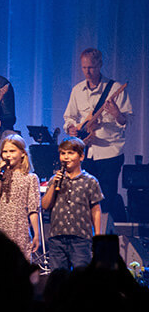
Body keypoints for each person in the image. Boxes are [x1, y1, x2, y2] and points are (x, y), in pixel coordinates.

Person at [63, 47, 132, 221]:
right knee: (85, 199)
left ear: (100, 64)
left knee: (106, 199)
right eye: (84, 67)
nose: (87, 72)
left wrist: (116, 113)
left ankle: (104, 238)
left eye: (91, 67)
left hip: (110, 152)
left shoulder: (115, 89)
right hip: (86, 152)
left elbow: (126, 121)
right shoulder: (77, 90)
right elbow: (69, 117)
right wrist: (71, 127)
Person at [41, 136, 103, 270]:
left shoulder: (90, 181)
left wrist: (97, 236)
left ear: (81, 157)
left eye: (70, 153)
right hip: (57, 238)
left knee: (81, 279)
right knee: (58, 279)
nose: (66, 157)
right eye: (63, 153)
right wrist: (53, 185)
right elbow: (45, 205)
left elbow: (96, 209)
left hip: (80, 238)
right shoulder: (54, 179)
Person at [0, 134, 41, 260]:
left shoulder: (30, 178)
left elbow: (33, 209)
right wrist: (1, 178)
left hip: (20, 228)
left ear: (23, 153)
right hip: (0, 225)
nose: (8, 155)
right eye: (5, 151)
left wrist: (36, 234)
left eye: (12, 151)